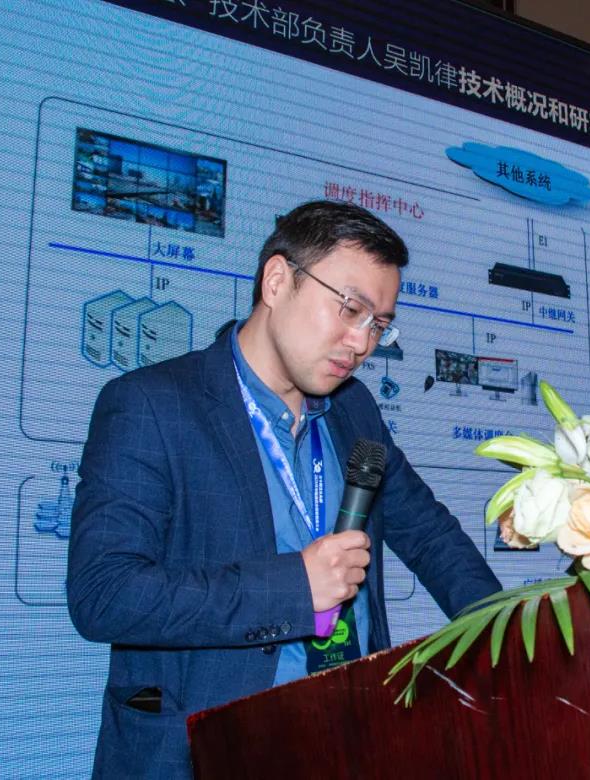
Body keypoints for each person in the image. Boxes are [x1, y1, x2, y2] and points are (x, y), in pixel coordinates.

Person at [67, 200, 502, 778]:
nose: (362, 343)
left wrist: (513, 635)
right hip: (203, 751)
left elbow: (429, 535)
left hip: (348, 738)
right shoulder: (152, 404)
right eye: (350, 309)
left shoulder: (354, 410)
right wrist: (294, 587)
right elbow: (105, 594)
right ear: (277, 281)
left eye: (378, 324)